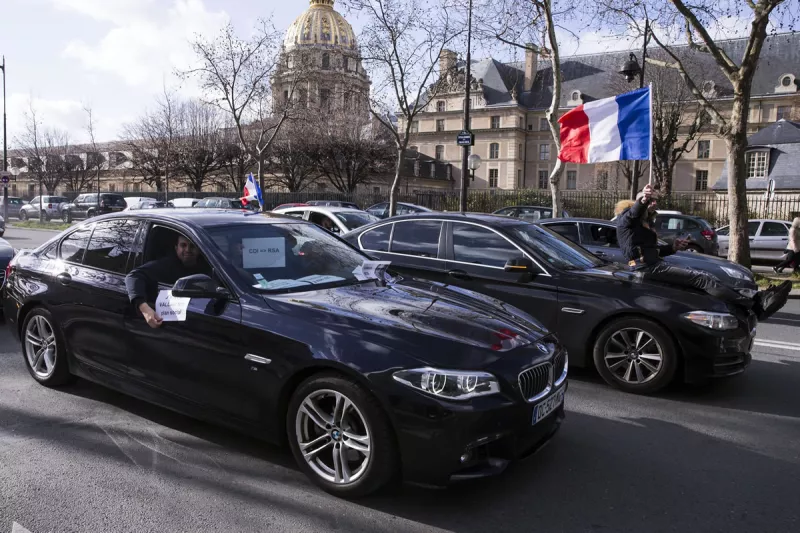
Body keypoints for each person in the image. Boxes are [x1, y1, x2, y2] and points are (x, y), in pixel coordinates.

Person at [616, 184, 792, 320]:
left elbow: (652, 251)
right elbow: (634, 213)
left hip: (653, 263)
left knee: (706, 276)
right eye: (650, 200)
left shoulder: (645, 223)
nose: (653, 203)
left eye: (654, 200)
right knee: (702, 278)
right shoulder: (627, 219)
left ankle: (757, 297)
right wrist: (643, 199)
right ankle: (756, 306)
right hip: (645, 267)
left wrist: (673, 247)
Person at [125, 234, 207, 328]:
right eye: (183, 245)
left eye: (192, 246)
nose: (188, 249)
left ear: (199, 249)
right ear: (176, 248)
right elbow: (133, 276)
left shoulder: (209, 265)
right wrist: (145, 310)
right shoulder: (166, 265)